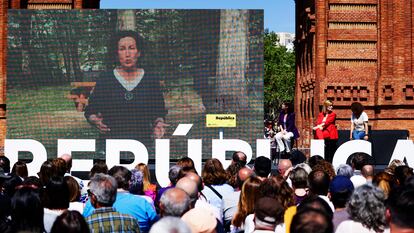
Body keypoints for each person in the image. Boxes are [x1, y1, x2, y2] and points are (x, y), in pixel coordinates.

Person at [84, 30, 168, 147]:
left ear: (138, 52)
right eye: (122, 49)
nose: (127, 54)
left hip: (142, 145)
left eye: (132, 48)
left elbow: (158, 111)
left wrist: (159, 123)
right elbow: (90, 110)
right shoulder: (105, 79)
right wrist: (95, 121)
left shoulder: (151, 79)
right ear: (116, 53)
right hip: (110, 144)